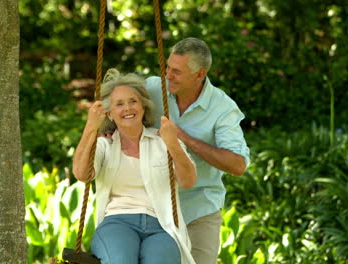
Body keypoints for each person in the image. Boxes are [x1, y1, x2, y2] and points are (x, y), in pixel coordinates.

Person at [72, 68, 197, 264]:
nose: (128, 108)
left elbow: (188, 181)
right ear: (110, 114)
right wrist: (91, 127)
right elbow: (81, 173)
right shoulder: (105, 145)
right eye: (119, 104)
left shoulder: (163, 140)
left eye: (133, 101)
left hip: (161, 226)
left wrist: (173, 143)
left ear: (143, 107)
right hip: (117, 222)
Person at [146, 37, 250, 264]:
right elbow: (117, 106)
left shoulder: (223, 108)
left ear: (200, 74)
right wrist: (108, 129)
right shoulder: (153, 88)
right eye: (167, 68)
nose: (168, 76)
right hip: (152, 207)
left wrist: (183, 138)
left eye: (177, 72)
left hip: (199, 209)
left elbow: (237, 165)